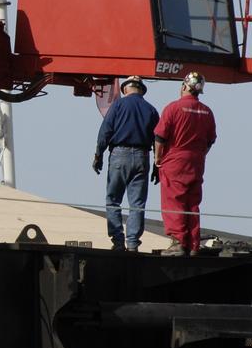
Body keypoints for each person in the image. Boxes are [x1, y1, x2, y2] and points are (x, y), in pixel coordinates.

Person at [93, 75, 160, 251]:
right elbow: (159, 140)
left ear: (125, 89)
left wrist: (98, 155)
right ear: (142, 90)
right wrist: (157, 165)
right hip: (142, 157)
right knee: (137, 203)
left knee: (113, 200)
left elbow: (105, 132)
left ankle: (118, 242)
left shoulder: (118, 105)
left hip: (119, 155)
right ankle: (132, 244)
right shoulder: (151, 110)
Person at [154, 71, 217, 255]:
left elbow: (160, 137)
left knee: (174, 200)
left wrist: (158, 159)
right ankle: (193, 244)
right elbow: (210, 140)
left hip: (175, 160)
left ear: (184, 86)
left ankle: (178, 242)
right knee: (193, 202)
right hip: (197, 161)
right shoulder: (207, 111)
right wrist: (200, 155)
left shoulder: (173, 108)